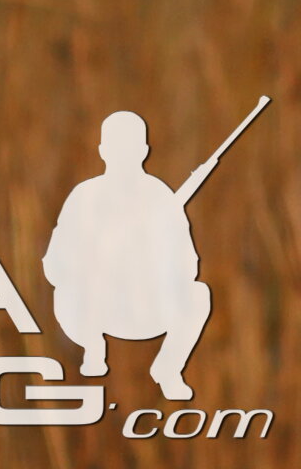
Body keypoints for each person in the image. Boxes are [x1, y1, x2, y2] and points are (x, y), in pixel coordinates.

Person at [46, 108, 213, 402]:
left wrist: (150, 263)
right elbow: (55, 264)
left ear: (144, 151)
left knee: (199, 295)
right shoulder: (84, 196)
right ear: (102, 151)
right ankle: (93, 348)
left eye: (129, 147)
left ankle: (168, 368)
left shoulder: (161, 197)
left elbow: (189, 265)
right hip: (92, 311)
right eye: (117, 146)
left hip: (147, 308)